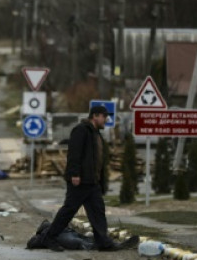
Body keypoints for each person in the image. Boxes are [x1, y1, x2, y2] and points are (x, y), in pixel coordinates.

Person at [41, 105, 138, 252]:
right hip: (80, 181)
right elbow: (74, 153)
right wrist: (75, 174)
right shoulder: (81, 130)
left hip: (91, 182)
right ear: (95, 116)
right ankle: (49, 237)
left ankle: (103, 242)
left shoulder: (95, 133)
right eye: (104, 117)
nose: (106, 120)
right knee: (68, 210)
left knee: (97, 211)